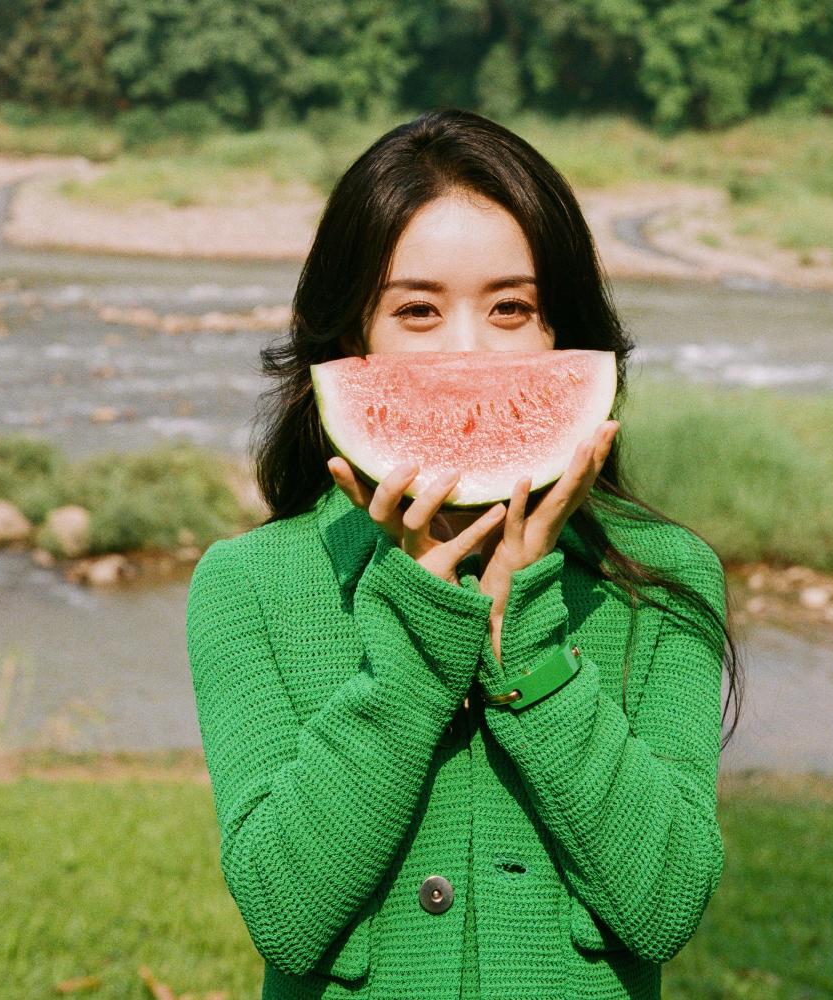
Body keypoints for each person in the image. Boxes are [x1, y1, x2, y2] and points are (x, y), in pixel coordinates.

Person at [186, 107, 744, 1000]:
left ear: (565, 335)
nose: (468, 355)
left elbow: (664, 905)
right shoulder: (249, 586)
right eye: (417, 310)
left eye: (512, 308)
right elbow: (285, 916)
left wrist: (523, 637)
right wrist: (415, 647)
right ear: (348, 342)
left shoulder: (666, 578)